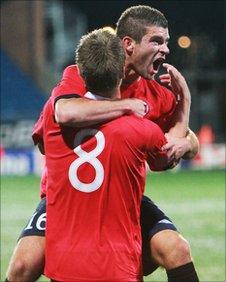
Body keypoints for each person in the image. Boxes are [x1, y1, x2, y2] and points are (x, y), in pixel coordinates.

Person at [6, 5, 199, 282]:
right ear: (128, 45)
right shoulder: (81, 74)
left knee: (176, 249)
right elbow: (63, 113)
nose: (166, 49)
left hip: (120, 195)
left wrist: (184, 144)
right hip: (67, 195)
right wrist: (126, 107)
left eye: (167, 41)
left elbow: (187, 139)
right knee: (23, 265)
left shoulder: (158, 95)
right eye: (157, 40)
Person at [44, 28, 172, 281]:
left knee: (22, 266)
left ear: (81, 72)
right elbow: (165, 159)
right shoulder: (143, 130)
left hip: (64, 265)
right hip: (117, 267)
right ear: (122, 72)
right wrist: (185, 103)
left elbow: (46, 135)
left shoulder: (53, 118)